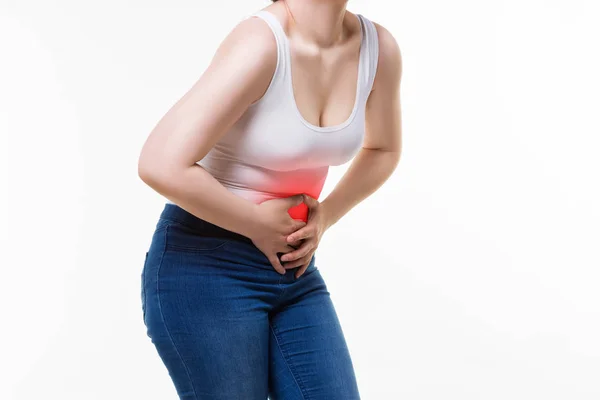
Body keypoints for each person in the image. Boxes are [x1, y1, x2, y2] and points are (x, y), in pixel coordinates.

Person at [137, 0, 402, 398]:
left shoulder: (378, 48)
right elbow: (158, 162)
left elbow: (383, 149)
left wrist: (326, 215)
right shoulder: (262, 44)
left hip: (293, 273)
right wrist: (255, 223)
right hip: (206, 268)